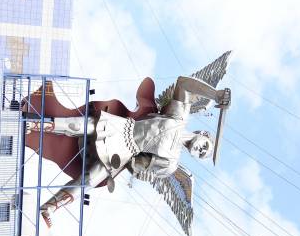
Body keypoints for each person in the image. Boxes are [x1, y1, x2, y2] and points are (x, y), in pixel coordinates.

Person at [28, 74, 231, 227]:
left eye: (202, 154)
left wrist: (138, 167)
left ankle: (49, 207)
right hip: (123, 128)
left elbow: (140, 165)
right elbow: (184, 83)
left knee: (90, 180)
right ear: (203, 133)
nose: (201, 150)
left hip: (125, 152)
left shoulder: (171, 163)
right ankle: (33, 124)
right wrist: (215, 94)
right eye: (205, 145)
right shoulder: (179, 117)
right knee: (82, 125)